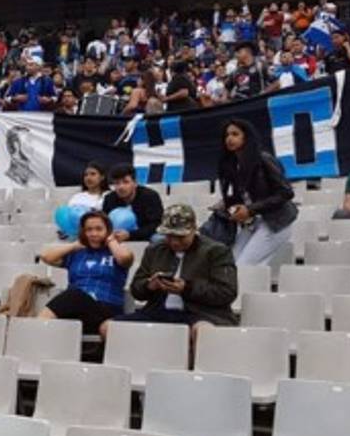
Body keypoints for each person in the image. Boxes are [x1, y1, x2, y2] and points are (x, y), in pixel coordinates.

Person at [107, 204, 237, 338]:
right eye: (169, 236)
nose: (174, 242)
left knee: (203, 332)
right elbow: (136, 289)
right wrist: (150, 285)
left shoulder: (216, 251)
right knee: (107, 328)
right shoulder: (155, 250)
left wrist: (187, 288)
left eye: (180, 237)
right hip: (158, 312)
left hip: (202, 313)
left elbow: (227, 292)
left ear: (194, 230)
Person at [38, 210, 134, 334]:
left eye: (99, 229)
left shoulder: (117, 251)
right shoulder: (77, 253)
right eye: (89, 229)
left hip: (106, 308)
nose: (93, 233)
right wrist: (74, 245)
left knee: (74, 295)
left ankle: (36, 330)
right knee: (73, 299)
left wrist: (111, 240)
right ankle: (39, 333)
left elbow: (125, 259)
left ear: (108, 230)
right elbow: (46, 257)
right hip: (76, 310)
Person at [217, 119, 297, 265]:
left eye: (235, 134)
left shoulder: (263, 159)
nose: (229, 138)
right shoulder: (232, 165)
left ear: (246, 137)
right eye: (227, 135)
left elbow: (286, 192)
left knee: (243, 266)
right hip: (251, 223)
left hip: (276, 222)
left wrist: (250, 209)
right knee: (231, 264)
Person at [102, 164, 164, 242]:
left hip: (145, 235)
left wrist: (130, 234)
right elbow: (104, 222)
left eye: (126, 182)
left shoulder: (150, 196)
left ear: (135, 183)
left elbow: (156, 225)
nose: (121, 187)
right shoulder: (109, 198)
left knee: (159, 239)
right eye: (117, 183)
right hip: (115, 236)